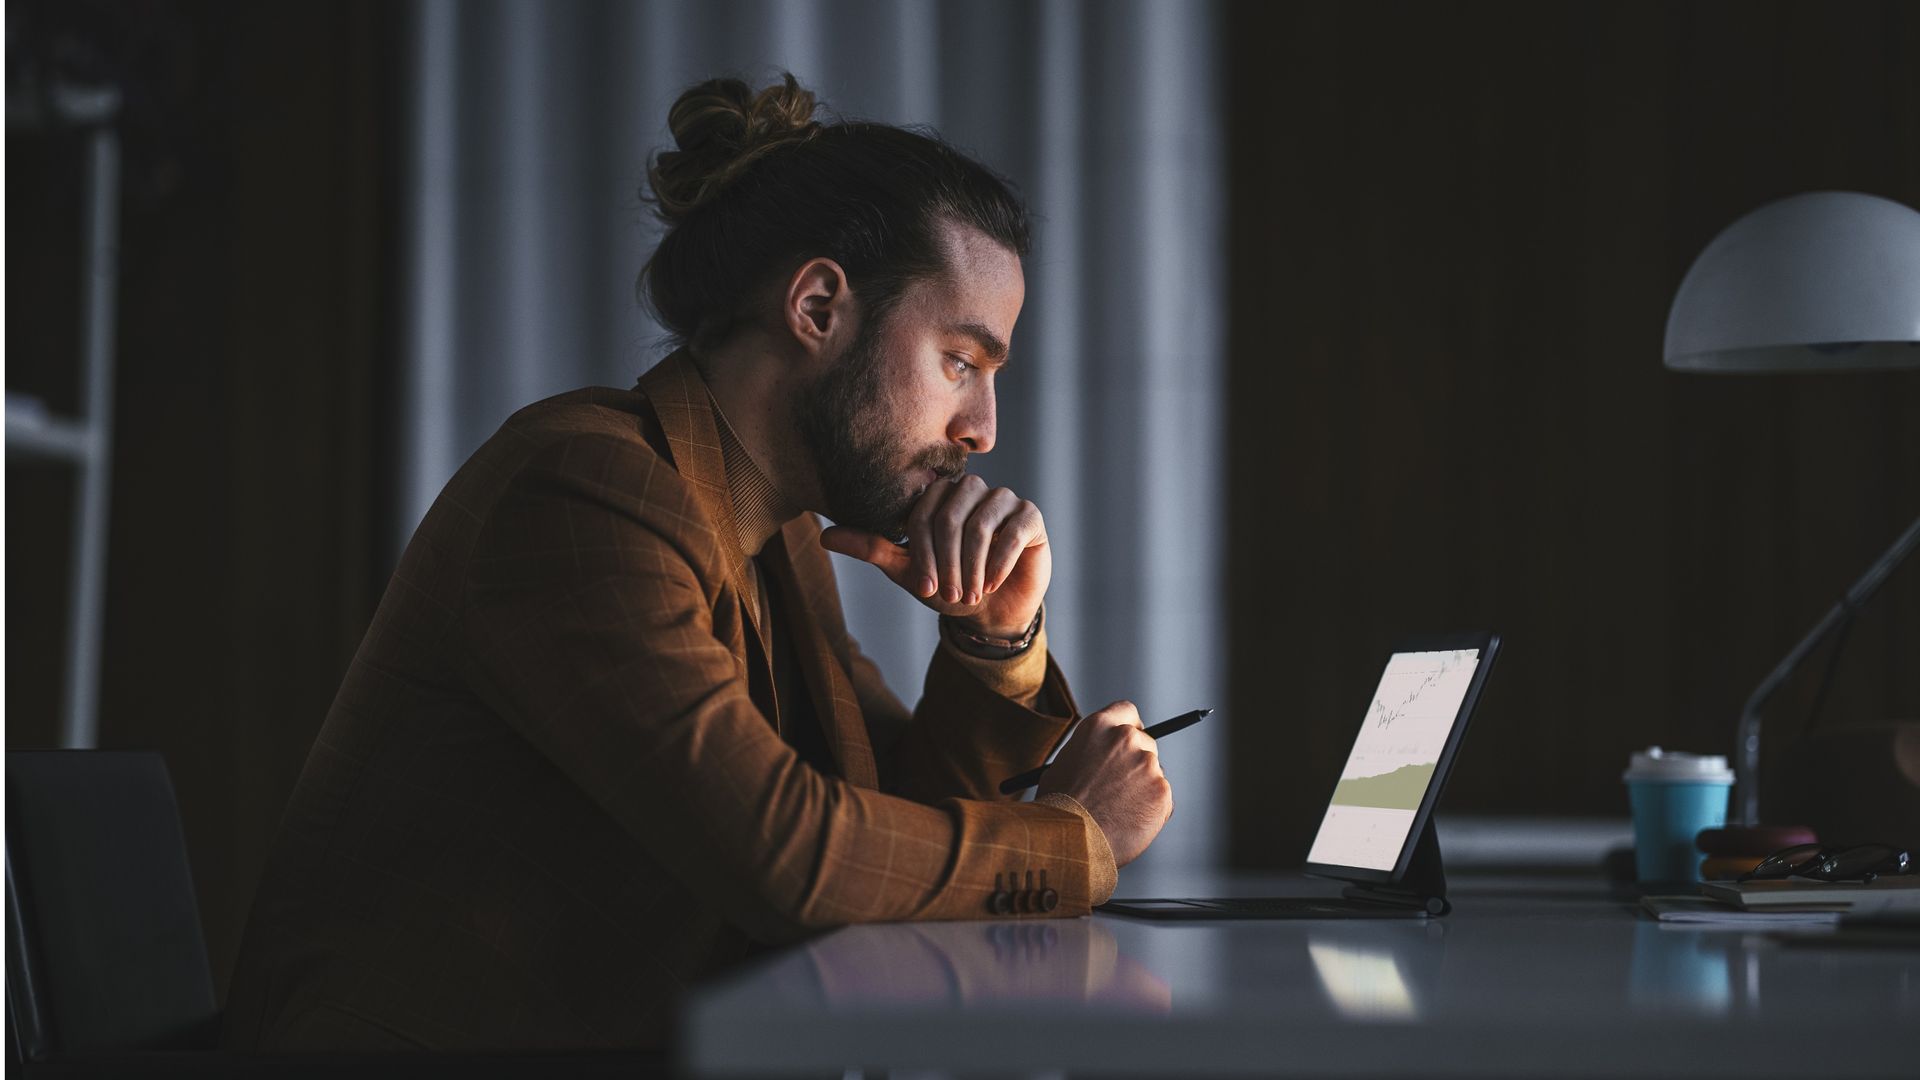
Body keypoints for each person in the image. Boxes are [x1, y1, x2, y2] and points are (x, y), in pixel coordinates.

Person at [221, 72, 1173, 1053]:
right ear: (816, 306)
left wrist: (993, 640)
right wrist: (1075, 840)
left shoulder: (774, 535)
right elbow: (792, 856)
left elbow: (886, 826)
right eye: (961, 362)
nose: (982, 429)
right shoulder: (583, 490)